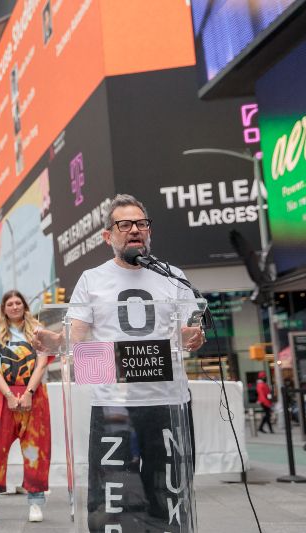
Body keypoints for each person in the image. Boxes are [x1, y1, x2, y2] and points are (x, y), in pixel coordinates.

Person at [52, 194, 205, 532]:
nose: (135, 230)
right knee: (113, 498)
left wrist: (193, 335)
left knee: (169, 493)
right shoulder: (91, 280)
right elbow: (77, 335)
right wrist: (55, 342)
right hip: (113, 406)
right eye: (125, 224)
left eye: (141, 223)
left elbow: (186, 331)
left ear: (149, 231)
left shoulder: (173, 276)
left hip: (169, 401)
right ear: (108, 236)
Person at [0, 290, 51, 525]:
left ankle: (36, 502)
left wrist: (28, 392)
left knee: (35, 451)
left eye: (18, 302)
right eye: (10, 304)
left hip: (33, 397)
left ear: (25, 306)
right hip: (3, 397)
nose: (15, 306)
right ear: (4, 309)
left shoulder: (38, 331)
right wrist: (8, 394)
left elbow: (41, 364)